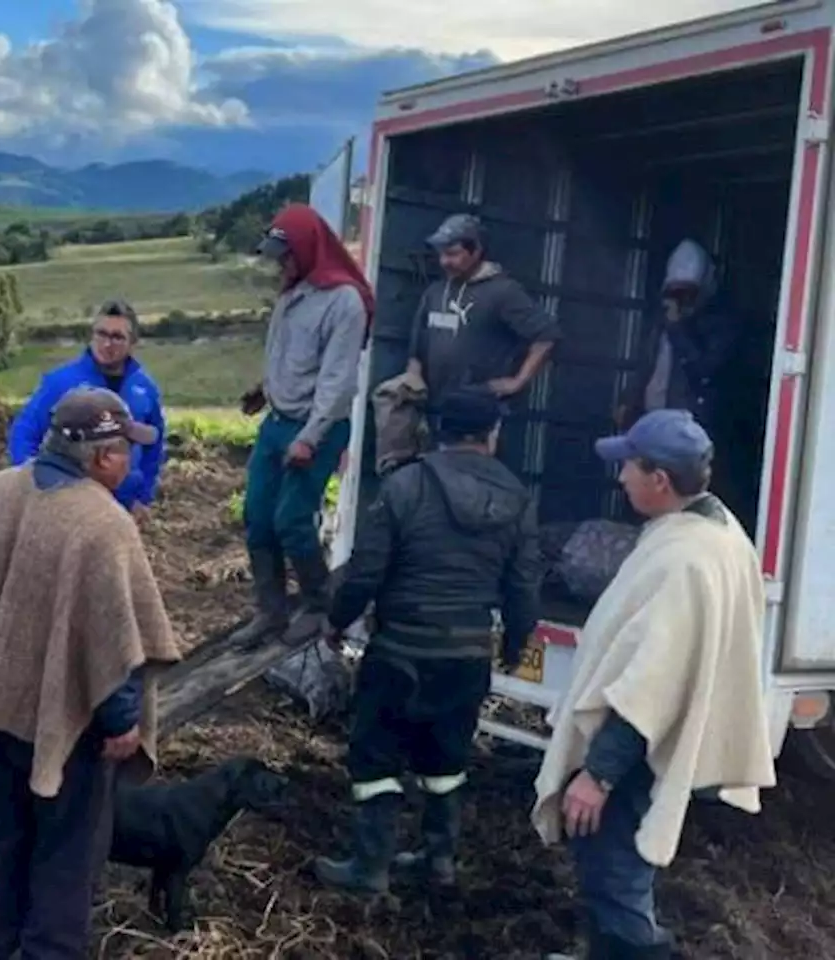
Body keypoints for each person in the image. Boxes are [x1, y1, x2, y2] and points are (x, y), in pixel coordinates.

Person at [0, 386, 182, 960]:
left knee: (1, 854)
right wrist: (122, 724)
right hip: (72, 732)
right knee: (64, 870)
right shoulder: (102, 525)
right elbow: (116, 639)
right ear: (104, 456)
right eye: (126, 449)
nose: (131, 461)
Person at [532, 409, 775, 960]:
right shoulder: (714, 529)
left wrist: (598, 774)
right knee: (606, 866)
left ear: (659, 480)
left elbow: (650, 690)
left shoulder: (687, 560)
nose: (620, 479)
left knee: (616, 875)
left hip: (636, 751)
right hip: (645, 745)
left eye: (628, 468)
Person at [311, 386, 541, 895]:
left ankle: (370, 869)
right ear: (492, 435)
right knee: (448, 759)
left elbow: (366, 573)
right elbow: (525, 584)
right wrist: (515, 642)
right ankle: (439, 860)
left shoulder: (404, 486)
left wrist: (337, 620)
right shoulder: (516, 497)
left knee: (375, 759)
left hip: (400, 651)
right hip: (466, 656)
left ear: (437, 432)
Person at [230, 203, 374, 649]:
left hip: (318, 427)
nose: (280, 265)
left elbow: (337, 380)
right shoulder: (293, 293)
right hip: (277, 421)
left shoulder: (344, 302)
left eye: (286, 256)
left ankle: (316, 604)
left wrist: (309, 438)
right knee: (257, 516)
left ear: (309, 249)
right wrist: (264, 388)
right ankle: (270, 611)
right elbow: (288, 356)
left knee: (292, 520)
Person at [8, 299, 165, 522]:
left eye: (117, 337)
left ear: (132, 343)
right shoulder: (61, 383)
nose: (107, 343)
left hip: (122, 504)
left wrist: (143, 496)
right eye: (101, 334)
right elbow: (25, 432)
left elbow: (154, 443)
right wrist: (35, 484)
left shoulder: (144, 388)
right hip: (71, 501)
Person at [406, 213, 561, 404]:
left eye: (452, 254)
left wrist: (518, 382)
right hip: (432, 406)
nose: (444, 262)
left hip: (479, 407)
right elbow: (416, 352)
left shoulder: (503, 291)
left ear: (476, 250)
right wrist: (413, 386)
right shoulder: (435, 292)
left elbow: (546, 335)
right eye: (442, 254)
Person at [617, 239, 740, 432]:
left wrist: (677, 328)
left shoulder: (718, 325)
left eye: (686, 292)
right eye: (674, 292)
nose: (679, 299)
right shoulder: (663, 318)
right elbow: (646, 362)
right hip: (651, 420)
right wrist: (628, 398)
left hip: (685, 426)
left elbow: (704, 369)